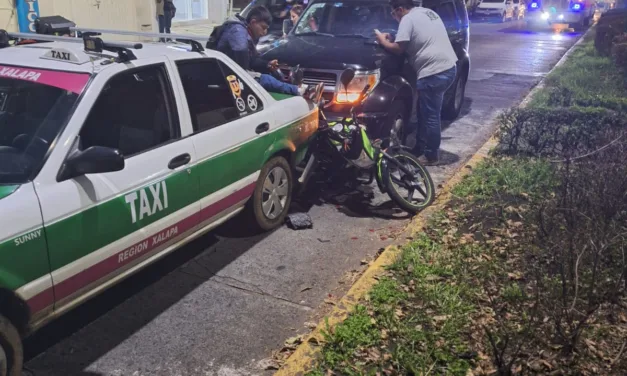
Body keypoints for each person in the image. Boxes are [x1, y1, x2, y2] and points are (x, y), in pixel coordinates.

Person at [375, 0, 457, 165]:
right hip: (448, 67)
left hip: (433, 72)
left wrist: (382, 41)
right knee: (423, 111)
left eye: (393, 13)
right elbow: (415, 38)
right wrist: (395, 38)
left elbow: (399, 49)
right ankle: (420, 147)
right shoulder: (428, 12)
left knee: (431, 115)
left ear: (400, 9)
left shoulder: (407, 19)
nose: (394, 17)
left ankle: (431, 156)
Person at [215, 6, 304, 96]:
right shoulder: (238, 30)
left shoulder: (249, 33)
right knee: (267, 79)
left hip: (236, 70)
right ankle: (300, 91)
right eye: (263, 27)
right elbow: (241, 52)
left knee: (273, 73)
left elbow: (252, 60)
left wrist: (267, 64)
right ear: (253, 22)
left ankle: (292, 85)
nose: (265, 32)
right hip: (227, 74)